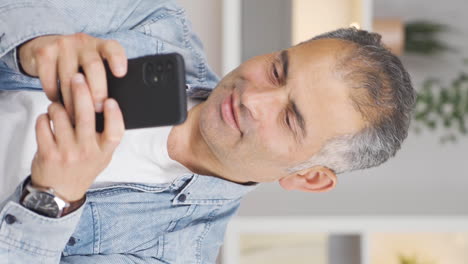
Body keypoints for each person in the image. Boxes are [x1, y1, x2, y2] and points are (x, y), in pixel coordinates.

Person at [0, 0, 415, 263]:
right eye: (276, 70)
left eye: (290, 119)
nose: (254, 99)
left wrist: (53, 200)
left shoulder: (173, 255)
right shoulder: (150, 19)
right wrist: (31, 45)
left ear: (308, 177)